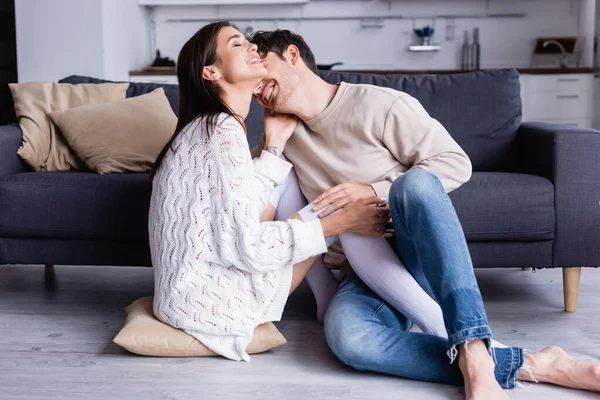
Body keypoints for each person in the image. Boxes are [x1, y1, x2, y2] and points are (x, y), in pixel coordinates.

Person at [249, 29, 600, 399]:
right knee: (350, 339)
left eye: (263, 69)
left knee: (414, 185)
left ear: (291, 55)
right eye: (252, 82)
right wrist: (272, 145)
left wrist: (373, 190)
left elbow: (454, 162)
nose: (258, 88)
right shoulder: (281, 137)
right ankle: (532, 363)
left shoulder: (378, 104)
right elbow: (263, 219)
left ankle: (475, 351)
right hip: (363, 271)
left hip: (417, 250)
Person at [148, 21, 390, 362]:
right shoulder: (220, 131)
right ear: (211, 72)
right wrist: (340, 222)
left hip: (181, 295)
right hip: (209, 307)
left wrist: (274, 146)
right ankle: (436, 326)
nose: (250, 46)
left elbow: (242, 205)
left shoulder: (207, 126)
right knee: (341, 205)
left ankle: (328, 292)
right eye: (236, 44)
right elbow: (248, 248)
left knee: (286, 176)